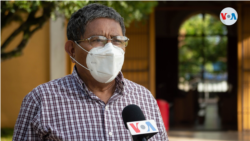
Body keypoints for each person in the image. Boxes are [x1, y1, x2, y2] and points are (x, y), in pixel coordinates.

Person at [13, 3, 168, 141]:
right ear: (72, 50)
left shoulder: (144, 97)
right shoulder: (41, 100)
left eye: (117, 41)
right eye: (97, 40)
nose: (110, 49)